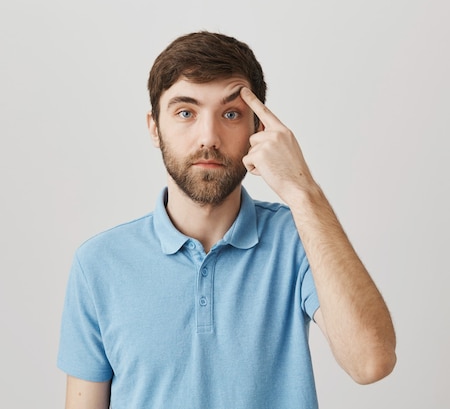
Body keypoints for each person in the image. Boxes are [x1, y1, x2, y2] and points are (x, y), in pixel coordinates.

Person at [57, 31, 396, 409]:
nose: (209, 137)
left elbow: (371, 362)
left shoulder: (299, 236)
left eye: (231, 114)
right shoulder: (99, 263)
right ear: (155, 127)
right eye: (186, 112)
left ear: (258, 130)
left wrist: (303, 191)